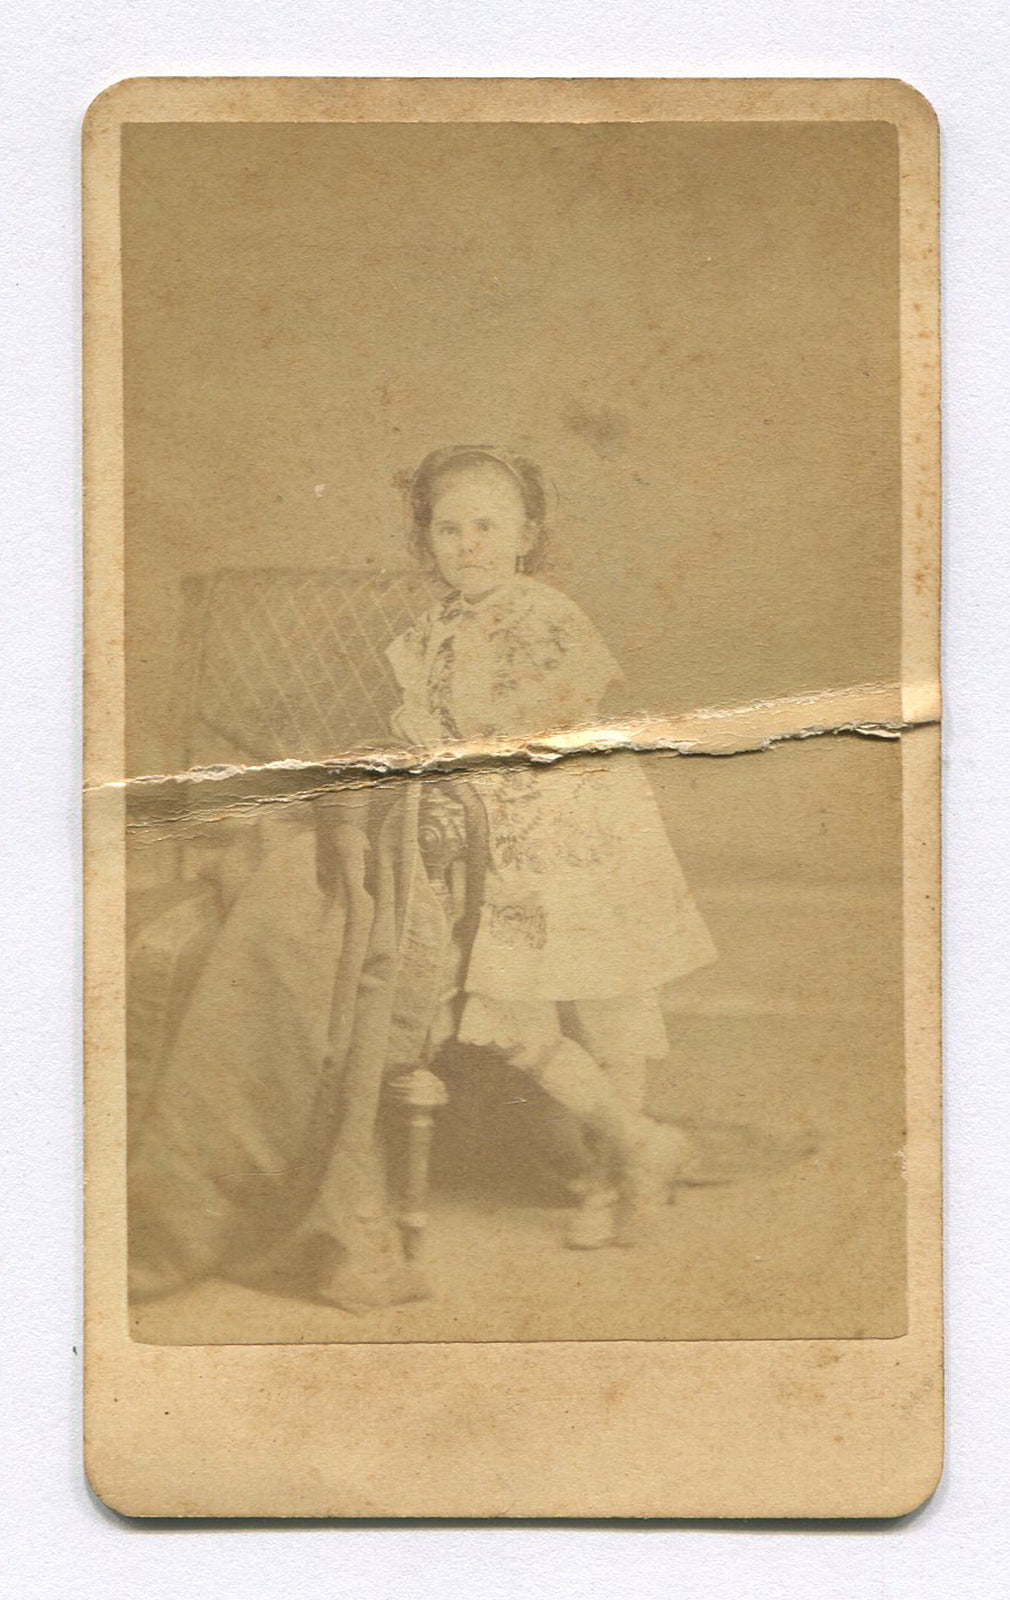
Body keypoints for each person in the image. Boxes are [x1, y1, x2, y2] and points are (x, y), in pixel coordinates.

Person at [386, 444, 718, 1248]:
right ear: (428, 541)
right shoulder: (429, 634)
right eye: (449, 529)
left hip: (583, 831)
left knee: (611, 1007)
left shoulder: (549, 617)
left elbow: (555, 726)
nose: (468, 545)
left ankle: (612, 1184)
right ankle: (642, 1144)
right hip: (497, 840)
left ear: (526, 535)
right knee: (513, 1020)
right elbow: (420, 729)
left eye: (487, 527)